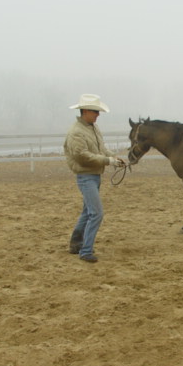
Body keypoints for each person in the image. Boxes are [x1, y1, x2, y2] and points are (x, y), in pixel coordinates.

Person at [64, 94, 125, 263]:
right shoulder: (76, 132)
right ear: (85, 111)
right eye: (95, 112)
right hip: (86, 177)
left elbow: (101, 149)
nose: (98, 115)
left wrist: (114, 158)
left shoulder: (93, 128)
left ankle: (76, 244)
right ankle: (85, 251)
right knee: (96, 213)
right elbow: (82, 156)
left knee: (87, 212)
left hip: (94, 176)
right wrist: (108, 161)